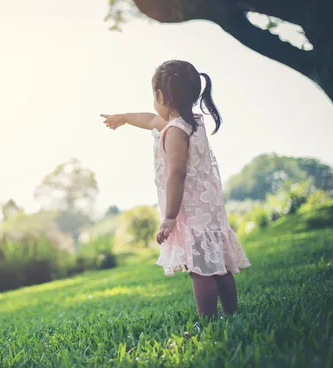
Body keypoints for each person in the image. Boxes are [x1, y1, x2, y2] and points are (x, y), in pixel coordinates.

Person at [101, 60, 250, 317]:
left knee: (200, 270)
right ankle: (232, 313)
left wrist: (170, 218)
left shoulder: (174, 132)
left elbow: (176, 174)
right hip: (210, 207)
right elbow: (150, 119)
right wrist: (124, 118)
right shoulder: (192, 122)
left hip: (190, 210)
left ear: (160, 95)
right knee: (220, 266)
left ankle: (208, 320)